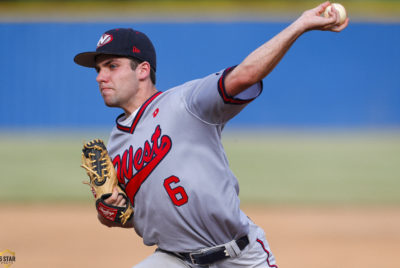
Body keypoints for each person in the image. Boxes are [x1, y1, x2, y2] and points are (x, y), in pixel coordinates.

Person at [74, 2, 348, 267]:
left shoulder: (186, 101)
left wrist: (300, 25)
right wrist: (109, 211)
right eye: (98, 69)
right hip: (174, 258)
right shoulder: (116, 145)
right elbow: (133, 214)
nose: (100, 76)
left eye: (112, 66)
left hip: (239, 257)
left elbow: (247, 74)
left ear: (143, 70)